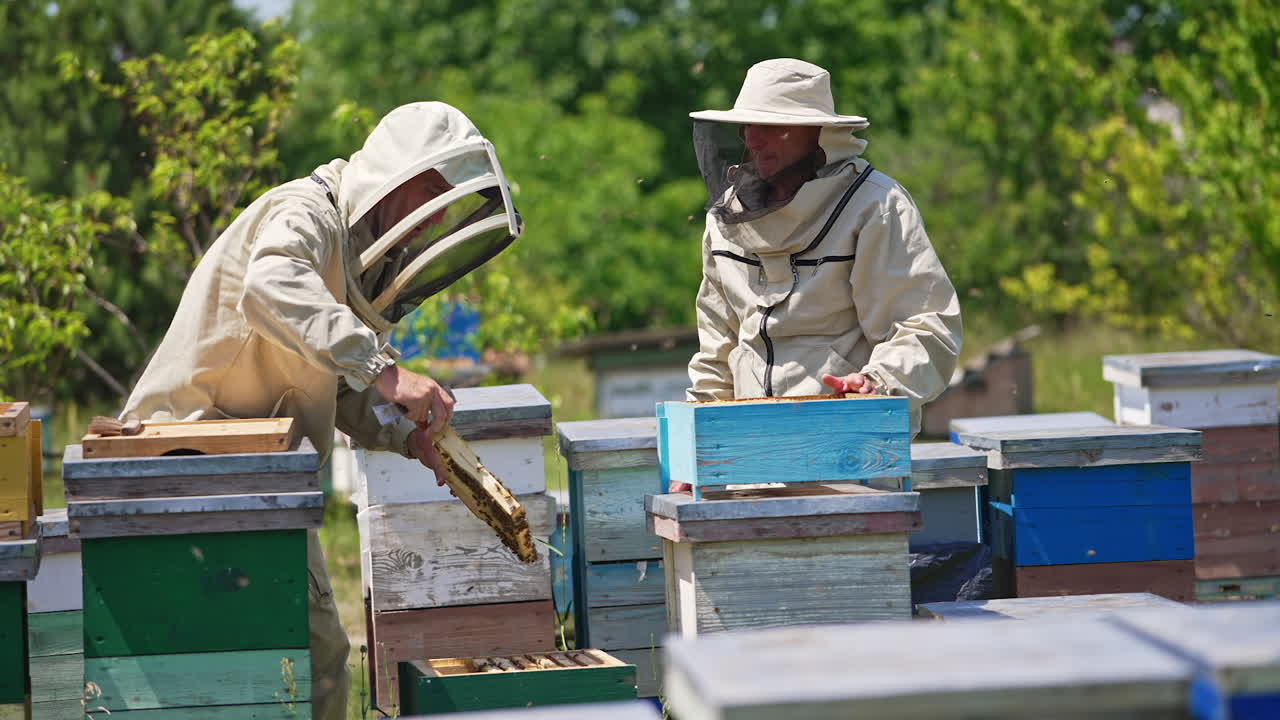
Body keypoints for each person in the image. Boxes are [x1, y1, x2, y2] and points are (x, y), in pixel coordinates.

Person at [121, 101, 523, 718]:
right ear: (393, 175)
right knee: (253, 659)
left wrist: (404, 436)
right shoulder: (303, 213)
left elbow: (331, 383)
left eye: (446, 200)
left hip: (264, 470)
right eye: (431, 192)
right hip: (187, 455)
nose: (437, 215)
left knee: (314, 657)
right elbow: (270, 286)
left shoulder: (350, 254)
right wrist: (387, 371)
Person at [685, 58, 962, 434]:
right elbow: (717, 350)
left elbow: (926, 328)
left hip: (853, 448)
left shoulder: (876, 207)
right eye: (748, 125)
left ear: (817, 133)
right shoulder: (726, 218)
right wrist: (698, 443)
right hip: (747, 455)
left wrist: (877, 384)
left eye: (770, 126)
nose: (752, 139)